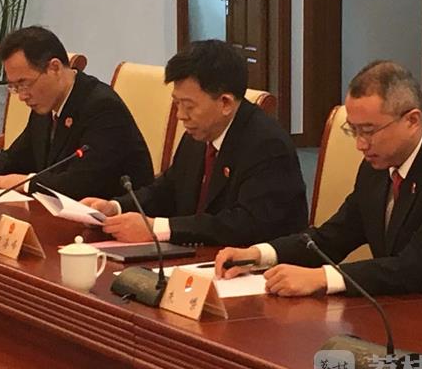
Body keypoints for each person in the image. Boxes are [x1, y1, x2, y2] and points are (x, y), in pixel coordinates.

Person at [216, 60, 422, 318]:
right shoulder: (377, 166)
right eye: (353, 130)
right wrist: (259, 254)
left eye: (369, 131)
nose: (360, 144)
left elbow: (417, 267)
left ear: (412, 120)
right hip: (402, 310)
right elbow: (332, 237)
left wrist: (323, 278)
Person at [81, 39, 308, 246]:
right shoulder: (200, 134)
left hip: (257, 268)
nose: (181, 115)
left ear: (225, 103)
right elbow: (169, 189)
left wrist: (157, 228)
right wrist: (116, 207)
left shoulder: (268, 145)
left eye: (189, 106)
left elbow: (244, 224)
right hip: (199, 258)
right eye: (176, 103)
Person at [0, 26, 154, 200]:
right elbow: (18, 155)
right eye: (14, 87)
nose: (22, 96)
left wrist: (26, 183)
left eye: (24, 83)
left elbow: (82, 182)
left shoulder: (102, 107)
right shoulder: (46, 104)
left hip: (114, 222)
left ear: (54, 68)